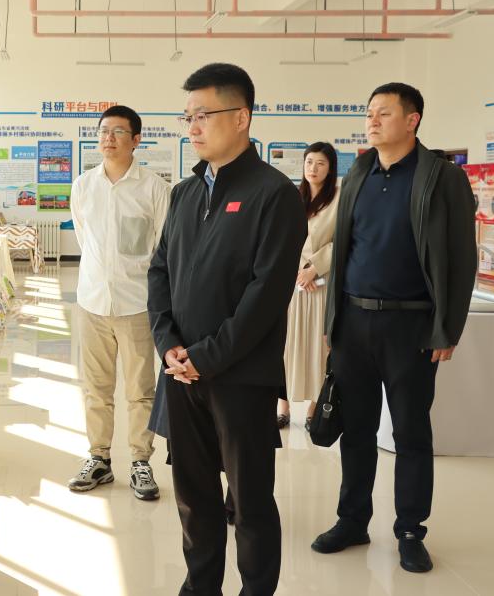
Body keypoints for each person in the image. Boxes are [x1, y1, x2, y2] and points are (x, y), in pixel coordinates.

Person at [148, 63, 306, 595]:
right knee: (193, 498)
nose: (192, 127)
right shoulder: (185, 193)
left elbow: (267, 294)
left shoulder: (273, 194)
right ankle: (200, 587)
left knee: (250, 501)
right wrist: (169, 345)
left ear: (241, 117)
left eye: (203, 115)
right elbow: (160, 272)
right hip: (182, 373)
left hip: (241, 376)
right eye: (187, 117)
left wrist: (207, 356)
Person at [311, 83, 477, 573]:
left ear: (412, 120)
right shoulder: (359, 172)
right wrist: (333, 320)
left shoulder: (442, 178)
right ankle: (352, 520)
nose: (372, 120)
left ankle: (409, 530)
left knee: (410, 432)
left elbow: (461, 260)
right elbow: (344, 251)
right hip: (354, 322)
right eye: (369, 113)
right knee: (356, 430)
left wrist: (448, 328)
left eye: (383, 113)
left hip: (412, 325)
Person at [68, 104, 170, 501]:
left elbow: (162, 247)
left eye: (118, 132)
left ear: (136, 140)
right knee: (96, 387)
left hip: (137, 304)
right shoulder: (84, 186)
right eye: (103, 131)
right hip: (92, 301)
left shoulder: (154, 189)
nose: (108, 138)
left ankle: (141, 461)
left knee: (140, 390)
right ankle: (99, 458)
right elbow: (85, 239)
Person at [277, 142, 339, 430]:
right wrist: (297, 272)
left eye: (321, 163)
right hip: (291, 286)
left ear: (331, 168)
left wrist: (314, 269)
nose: (313, 168)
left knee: (317, 347)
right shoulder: (292, 196)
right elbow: (280, 238)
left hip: (320, 286)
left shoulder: (338, 199)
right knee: (286, 346)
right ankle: (283, 407)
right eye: (309, 162)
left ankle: (314, 408)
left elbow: (342, 240)